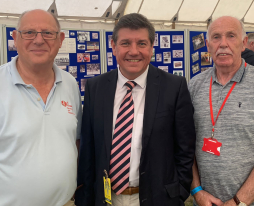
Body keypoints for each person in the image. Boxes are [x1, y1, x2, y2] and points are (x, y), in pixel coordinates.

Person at [0, 10, 82, 206]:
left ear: (60, 40)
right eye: (29, 33)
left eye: (47, 33)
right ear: (15, 39)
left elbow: (75, 140)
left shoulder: (69, 84)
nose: (39, 40)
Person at [75, 13, 196, 206]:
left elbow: (185, 148)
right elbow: (89, 150)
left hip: (157, 198)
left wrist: (179, 192)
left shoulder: (174, 87)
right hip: (106, 199)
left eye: (141, 43)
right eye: (125, 43)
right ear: (113, 46)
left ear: (151, 47)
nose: (134, 51)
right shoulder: (96, 88)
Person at [189, 16, 254, 206]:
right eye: (216, 37)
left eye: (231, 36)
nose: (223, 44)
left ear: (244, 43)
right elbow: (185, 145)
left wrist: (238, 202)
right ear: (208, 45)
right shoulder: (194, 86)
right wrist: (196, 191)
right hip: (204, 201)